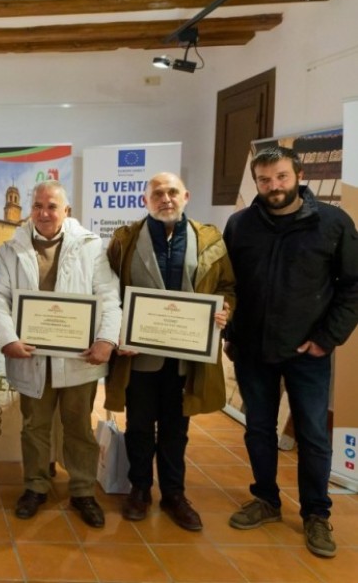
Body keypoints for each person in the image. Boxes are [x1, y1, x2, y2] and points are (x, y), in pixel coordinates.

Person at [223, 146, 358, 558]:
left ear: (299, 175)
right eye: (264, 180)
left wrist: (326, 338)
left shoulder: (333, 223)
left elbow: (352, 286)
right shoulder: (240, 225)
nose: (273, 186)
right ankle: (265, 499)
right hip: (251, 349)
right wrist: (229, 329)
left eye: (281, 177)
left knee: (314, 437)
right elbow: (227, 285)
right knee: (259, 430)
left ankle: (317, 514)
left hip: (308, 352)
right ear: (257, 181)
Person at [105, 172, 235, 532]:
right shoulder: (124, 240)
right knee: (140, 425)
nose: (166, 198)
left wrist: (225, 310)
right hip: (139, 357)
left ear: (186, 196)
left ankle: (175, 495)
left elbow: (227, 287)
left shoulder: (209, 239)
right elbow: (110, 294)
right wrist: (117, 332)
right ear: (145, 201)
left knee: (177, 429)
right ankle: (140, 489)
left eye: (172, 192)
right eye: (157, 193)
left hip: (186, 356)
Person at [0, 180, 121, 527]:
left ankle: (82, 490)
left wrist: (106, 339)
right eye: (38, 206)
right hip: (30, 356)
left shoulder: (90, 247)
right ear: (29, 209)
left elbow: (108, 296)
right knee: (34, 426)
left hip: (79, 357)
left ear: (66, 211)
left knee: (78, 426)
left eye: (51, 206)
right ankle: (35, 485)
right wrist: (8, 339)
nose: (44, 213)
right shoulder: (11, 249)